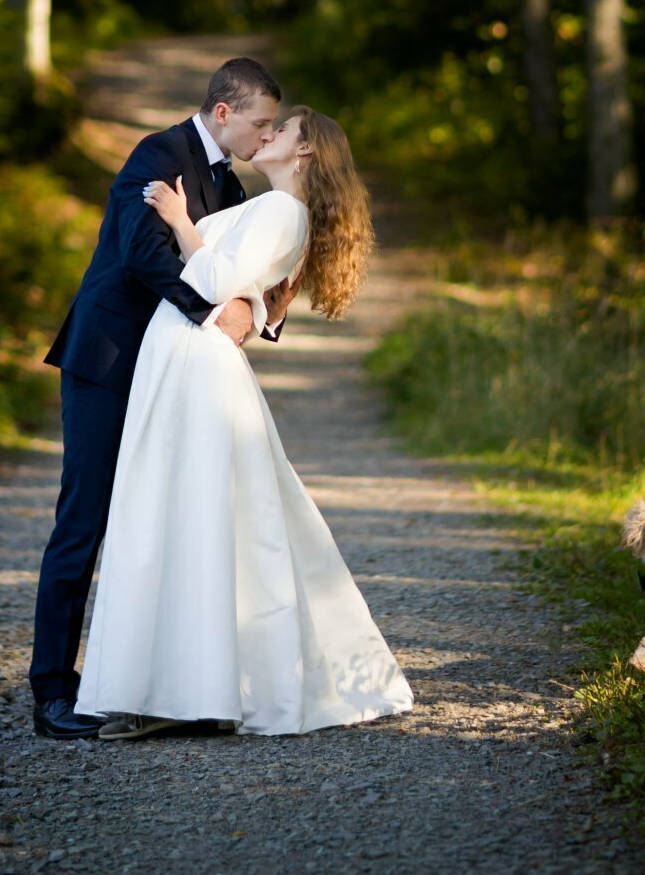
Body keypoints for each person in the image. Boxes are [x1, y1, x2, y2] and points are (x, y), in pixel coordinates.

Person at [74, 106, 413, 739]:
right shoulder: (276, 208)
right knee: (199, 519)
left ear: (305, 151)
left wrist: (179, 224)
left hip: (193, 358)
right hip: (185, 354)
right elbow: (246, 292)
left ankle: (179, 689)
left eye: (279, 131)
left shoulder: (284, 210)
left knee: (183, 516)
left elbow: (213, 281)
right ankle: (185, 683)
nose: (267, 136)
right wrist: (250, 302)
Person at [30, 56, 292, 740]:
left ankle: (165, 686)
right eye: (260, 124)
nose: (266, 138)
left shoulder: (229, 184)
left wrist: (264, 308)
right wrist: (214, 314)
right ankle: (54, 691)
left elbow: (229, 269)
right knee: (83, 520)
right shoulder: (157, 154)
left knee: (172, 524)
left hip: (173, 375)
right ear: (224, 112)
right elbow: (141, 256)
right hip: (110, 362)